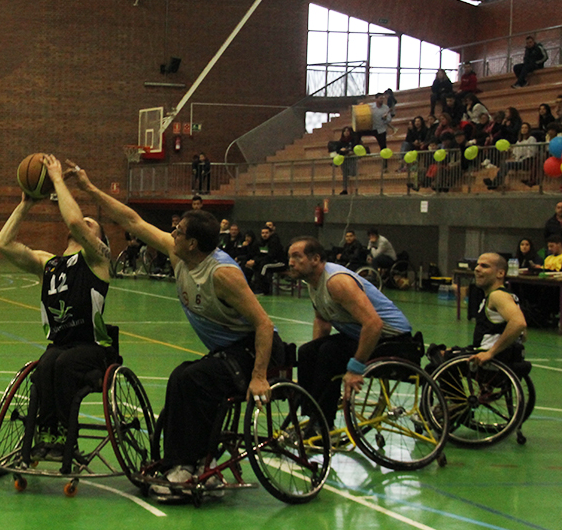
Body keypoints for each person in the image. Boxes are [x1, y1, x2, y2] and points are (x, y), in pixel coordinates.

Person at [69, 164, 281, 493]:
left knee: (190, 377)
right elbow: (133, 221)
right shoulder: (178, 253)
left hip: (255, 348)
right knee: (182, 377)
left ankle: (189, 466)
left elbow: (264, 324)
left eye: (179, 231)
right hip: (227, 351)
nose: (173, 233)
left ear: (193, 243)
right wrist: (88, 187)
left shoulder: (223, 275)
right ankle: (189, 462)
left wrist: (259, 375)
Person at [0, 154, 113, 459]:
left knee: (61, 364)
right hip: (58, 345)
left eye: (91, 224)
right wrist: (26, 203)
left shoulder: (99, 259)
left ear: (98, 239)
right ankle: (45, 438)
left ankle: (63, 440)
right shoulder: (49, 263)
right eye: (84, 221)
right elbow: (3, 244)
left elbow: (73, 218)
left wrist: (57, 178)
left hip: (93, 347)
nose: (83, 222)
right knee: (46, 365)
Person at [286, 237, 413, 427]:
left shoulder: (337, 282)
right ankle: (313, 412)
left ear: (315, 259)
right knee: (307, 352)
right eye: (289, 257)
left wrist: (356, 368)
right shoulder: (313, 283)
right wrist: (314, 354)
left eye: (297, 257)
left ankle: (323, 424)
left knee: (329, 353)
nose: (290, 263)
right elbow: (322, 322)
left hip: (395, 340)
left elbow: (373, 324)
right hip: (363, 334)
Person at [491, 122, 540, 189]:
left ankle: (496, 182)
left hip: (526, 161)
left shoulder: (531, 139)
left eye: (526, 128)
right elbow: (515, 153)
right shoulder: (519, 141)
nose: (524, 129)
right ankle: (496, 181)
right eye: (522, 128)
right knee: (504, 163)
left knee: (508, 164)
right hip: (518, 161)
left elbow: (532, 151)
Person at [246, 224, 286, 295]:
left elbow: (271, 256)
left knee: (264, 266)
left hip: (279, 262)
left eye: (266, 233)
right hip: (267, 261)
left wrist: (256, 261)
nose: (264, 235)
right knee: (257, 265)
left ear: (270, 233)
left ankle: (263, 289)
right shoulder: (260, 243)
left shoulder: (274, 242)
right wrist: (253, 261)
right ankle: (253, 286)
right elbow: (257, 254)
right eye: (263, 233)